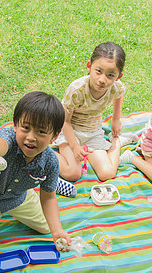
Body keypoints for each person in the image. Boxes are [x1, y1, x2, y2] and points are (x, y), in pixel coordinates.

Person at [0, 91, 73, 250]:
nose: (31, 137)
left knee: (47, 226)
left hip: (17, 197)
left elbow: (49, 198)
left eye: (41, 132)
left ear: (54, 136)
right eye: (25, 127)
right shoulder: (9, 137)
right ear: (15, 125)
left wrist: (57, 230)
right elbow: (0, 144)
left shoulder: (51, 162)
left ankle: (44, 182)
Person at [53, 42, 134, 182]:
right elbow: (65, 121)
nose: (102, 79)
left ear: (118, 76)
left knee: (107, 173)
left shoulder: (116, 87)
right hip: (70, 131)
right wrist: (75, 146)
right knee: (72, 173)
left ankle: (117, 141)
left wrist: (116, 119)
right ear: (89, 66)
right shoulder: (76, 90)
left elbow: (119, 94)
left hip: (92, 132)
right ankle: (41, 152)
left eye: (110, 75)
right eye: (98, 71)